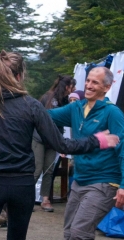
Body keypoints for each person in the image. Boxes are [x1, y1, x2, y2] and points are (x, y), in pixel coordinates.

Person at [0, 51, 120, 240]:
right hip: (21, 186)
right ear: (19, 76)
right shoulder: (31, 105)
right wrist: (96, 141)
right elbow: (61, 144)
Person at [48, 67, 124, 240]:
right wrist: (23, 106)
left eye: (95, 82)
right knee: (69, 231)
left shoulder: (112, 113)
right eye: (87, 80)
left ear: (106, 87)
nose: (88, 85)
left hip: (104, 182)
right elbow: (46, 116)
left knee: (80, 232)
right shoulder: (76, 108)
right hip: (79, 180)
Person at [32, 75, 76, 212]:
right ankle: (25, 198)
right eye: (72, 86)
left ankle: (45, 199)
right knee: (36, 169)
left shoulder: (66, 101)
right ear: (66, 86)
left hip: (53, 140)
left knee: (49, 169)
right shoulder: (48, 97)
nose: (73, 89)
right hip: (39, 138)